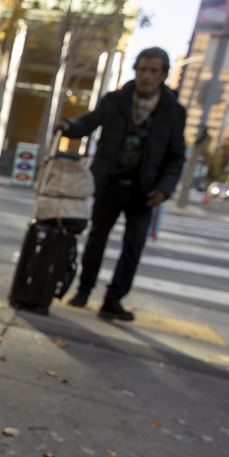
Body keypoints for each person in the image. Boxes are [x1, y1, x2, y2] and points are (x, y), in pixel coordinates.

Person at [55, 47, 186, 321]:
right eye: (142, 69)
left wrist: (164, 188)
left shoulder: (173, 111)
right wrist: (69, 126)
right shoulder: (116, 100)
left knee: (134, 244)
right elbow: (89, 122)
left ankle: (113, 299)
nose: (146, 76)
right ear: (135, 71)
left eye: (153, 71)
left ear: (163, 75)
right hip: (110, 182)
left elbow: (176, 156)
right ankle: (83, 290)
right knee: (96, 239)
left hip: (145, 190)